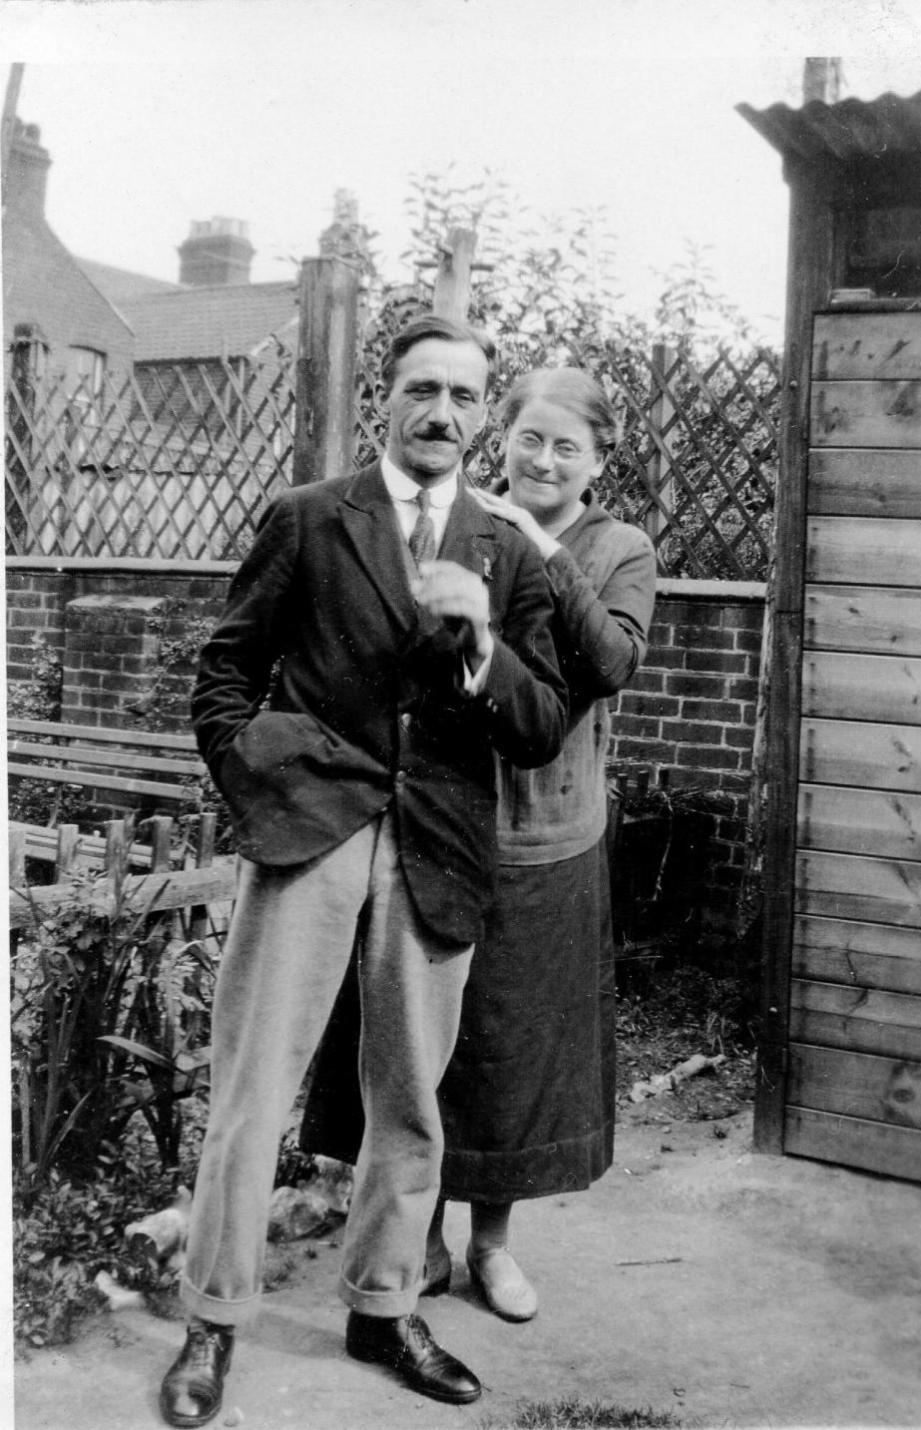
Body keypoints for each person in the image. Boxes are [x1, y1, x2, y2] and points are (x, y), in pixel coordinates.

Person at [158, 316, 568, 1427]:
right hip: (313, 826)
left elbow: (537, 724)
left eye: (465, 397)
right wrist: (254, 776)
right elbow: (226, 665)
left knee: (412, 1097)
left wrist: (483, 640)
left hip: (436, 839)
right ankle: (214, 1316)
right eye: (422, 389)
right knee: (252, 1088)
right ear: (384, 400)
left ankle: (384, 1305)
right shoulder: (308, 517)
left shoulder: (508, 548)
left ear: (486, 417)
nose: (443, 412)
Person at [300, 365, 656, 1323]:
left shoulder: (619, 546)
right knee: (422, 1048)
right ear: (502, 438)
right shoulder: (462, 524)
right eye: (528, 439)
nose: (542, 460)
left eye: (565, 447)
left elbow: (612, 659)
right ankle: (416, 1242)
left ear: (598, 460)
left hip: (547, 837)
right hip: (437, 824)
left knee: (512, 1057)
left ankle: (492, 1245)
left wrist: (538, 543)